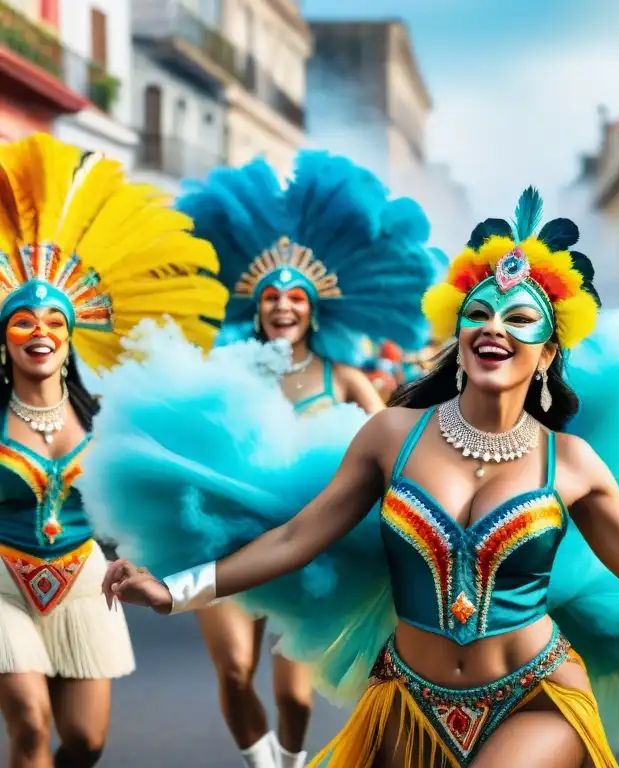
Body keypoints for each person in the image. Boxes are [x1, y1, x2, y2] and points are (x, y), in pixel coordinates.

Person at [83, 189, 619, 767]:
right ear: (458, 331)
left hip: (537, 693)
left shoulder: (575, 465)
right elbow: (295, 538)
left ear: (550, 352)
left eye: (519, 317)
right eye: (479, 313)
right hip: (406, 701)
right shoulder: (392, 434)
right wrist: (175, 589)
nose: (494, 326)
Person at [173, 152, 442, 768]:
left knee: (295, 695)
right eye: (272, 298)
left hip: (310, 548)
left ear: (314, 308)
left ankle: (291, 760)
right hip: (227, 538)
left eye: (296, 297)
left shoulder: (345, 378)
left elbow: (395, 445)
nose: (284, 306)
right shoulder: (228, 372)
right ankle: (261, 762)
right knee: (236, 669)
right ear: (255, 307)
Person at [0, 134, 227, 768]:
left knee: (86, 742)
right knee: (28, 722)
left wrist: (142, 556)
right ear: (4, 337)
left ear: (71, 336)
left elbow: (142, 497)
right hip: (1, 583)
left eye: (52, 323)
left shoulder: (104, 418)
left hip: (80, 581)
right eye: (23, 321)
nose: (39, 332)